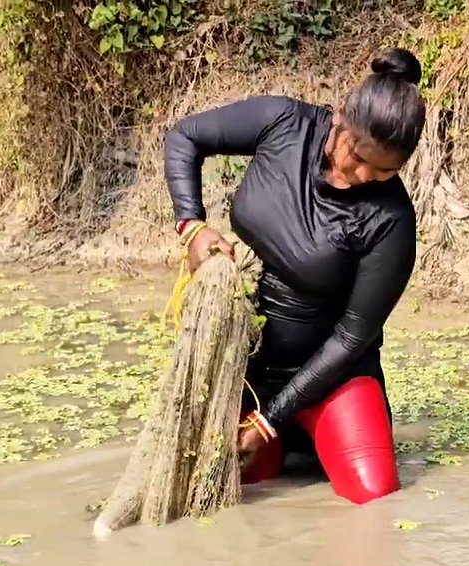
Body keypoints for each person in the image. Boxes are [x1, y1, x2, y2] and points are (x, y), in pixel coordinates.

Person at [162, 47, 426, 505]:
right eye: (357, 156)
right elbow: (185, 138)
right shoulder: (283, 123)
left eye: (387, 171)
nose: (365, 176)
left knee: (375, 496)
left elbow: (351, 338)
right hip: (242, 372)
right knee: (235, 486)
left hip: (333, 378)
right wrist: (192, 226)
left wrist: (270, 421)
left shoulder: (392, 221)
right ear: (340, 118)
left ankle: (298, 435)